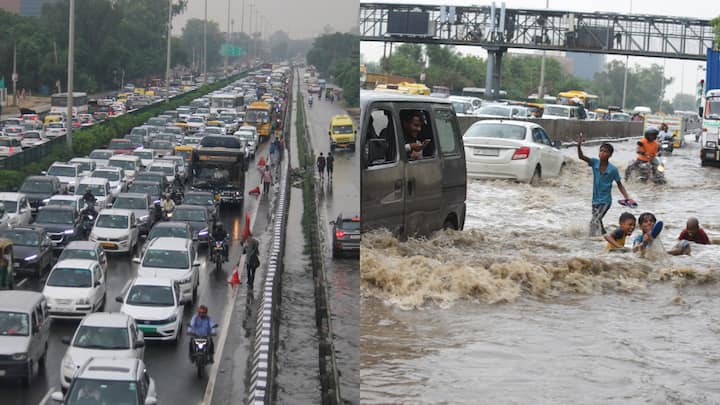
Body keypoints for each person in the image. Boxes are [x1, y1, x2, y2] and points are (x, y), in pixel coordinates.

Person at [577, 134, 632, 236]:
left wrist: (627, 197)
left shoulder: (613, 169)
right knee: (598, 221)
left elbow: (620, 184)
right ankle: (604, 237)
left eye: (605, 151)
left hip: (605, 201)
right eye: (601, 151)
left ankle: (590, 240)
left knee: (594, 221)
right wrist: (579, 145)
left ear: (610, 155)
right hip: (595, 200)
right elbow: (581, 157)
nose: (602, 153)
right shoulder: (594, 163)